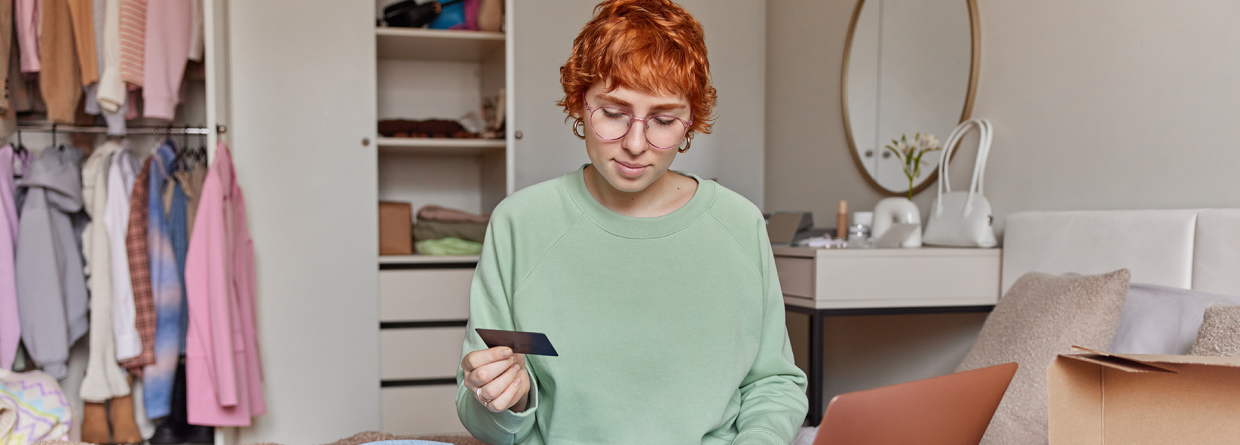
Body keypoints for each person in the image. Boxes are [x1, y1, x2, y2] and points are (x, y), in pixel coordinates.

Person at [456, 1, 809, 443]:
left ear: (690, 121)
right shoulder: (520, 224)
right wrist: (509, 398)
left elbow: (773, 384)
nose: (635, 144)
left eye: (663, 120)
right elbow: (483, 415)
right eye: (613, 114)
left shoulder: (739, 224)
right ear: (579, 103)